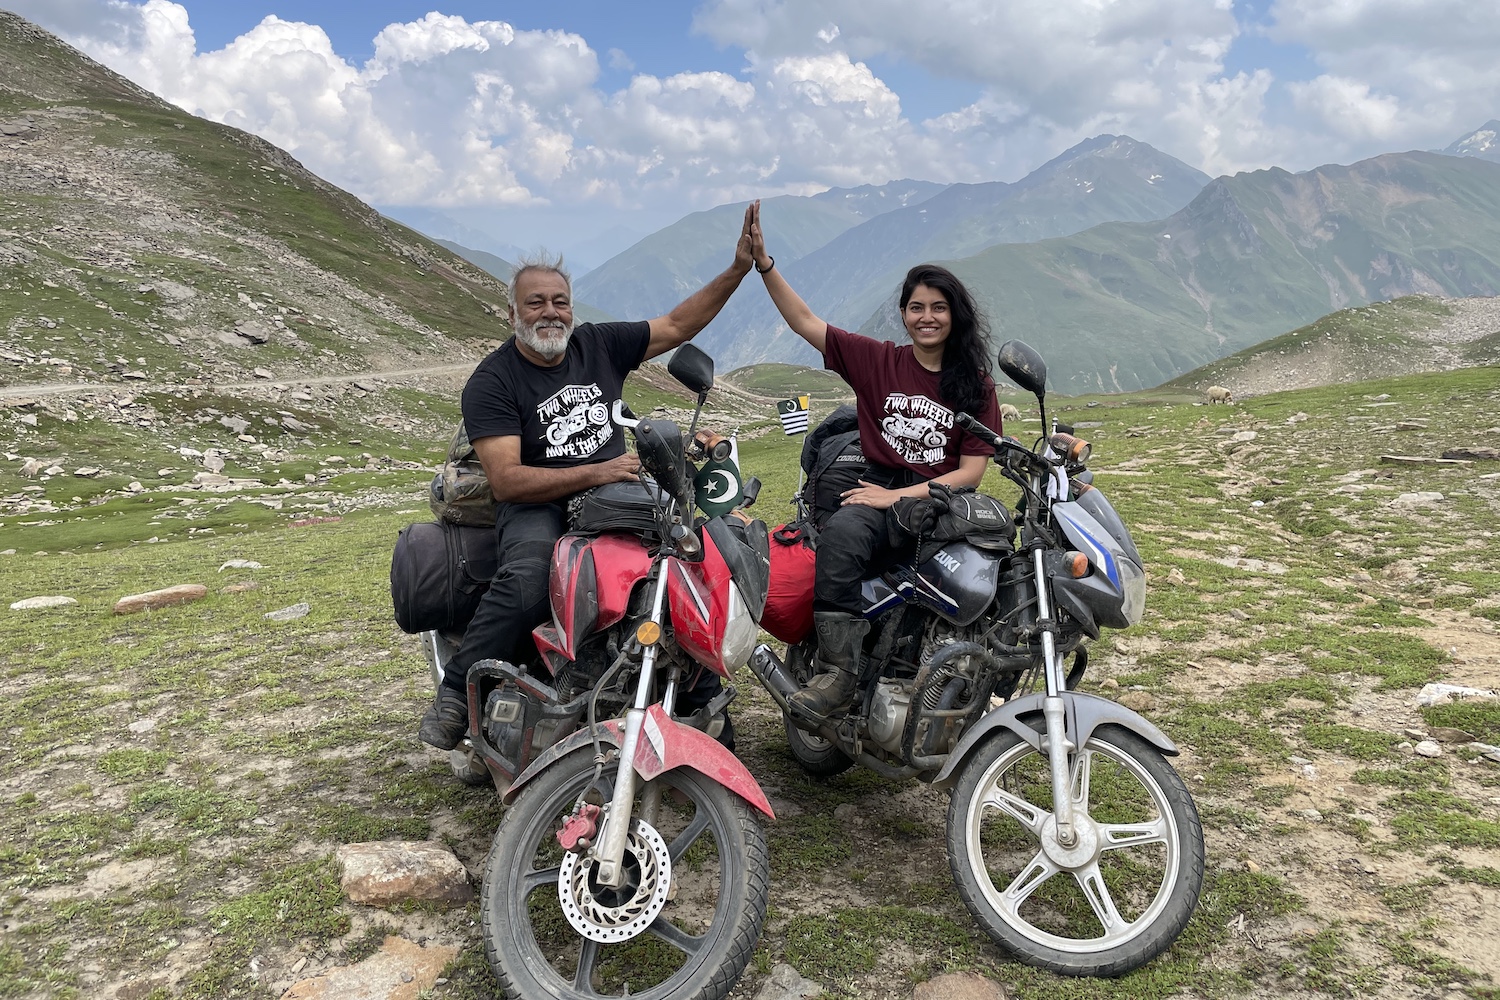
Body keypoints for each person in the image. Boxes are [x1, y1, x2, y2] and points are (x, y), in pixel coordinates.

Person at [419, 206, 757, 750]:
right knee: (530, 579)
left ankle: (696, 696)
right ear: (512, 314)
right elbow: (506, 480)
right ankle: (458, 689)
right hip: (538, 503)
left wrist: (738, 269)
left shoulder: (597, 345)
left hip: (617, 495)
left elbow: (676, 325)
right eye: (536, 303)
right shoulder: (493, 380)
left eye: (559, 302)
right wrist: (598, 469)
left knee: (678, 570)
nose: (550, 313)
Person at [746, 200, 1004, 722]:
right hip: (879, 487)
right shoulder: (878, 360)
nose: (926, 317)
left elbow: (972, 471)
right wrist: (765, 266)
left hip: (942, 498)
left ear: (955, 315)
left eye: (938, 307)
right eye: (916, 307)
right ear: (904, 313)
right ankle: (839, 672)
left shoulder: (974, 385)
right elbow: (804, 322)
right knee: (843, 534)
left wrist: (905, 496)